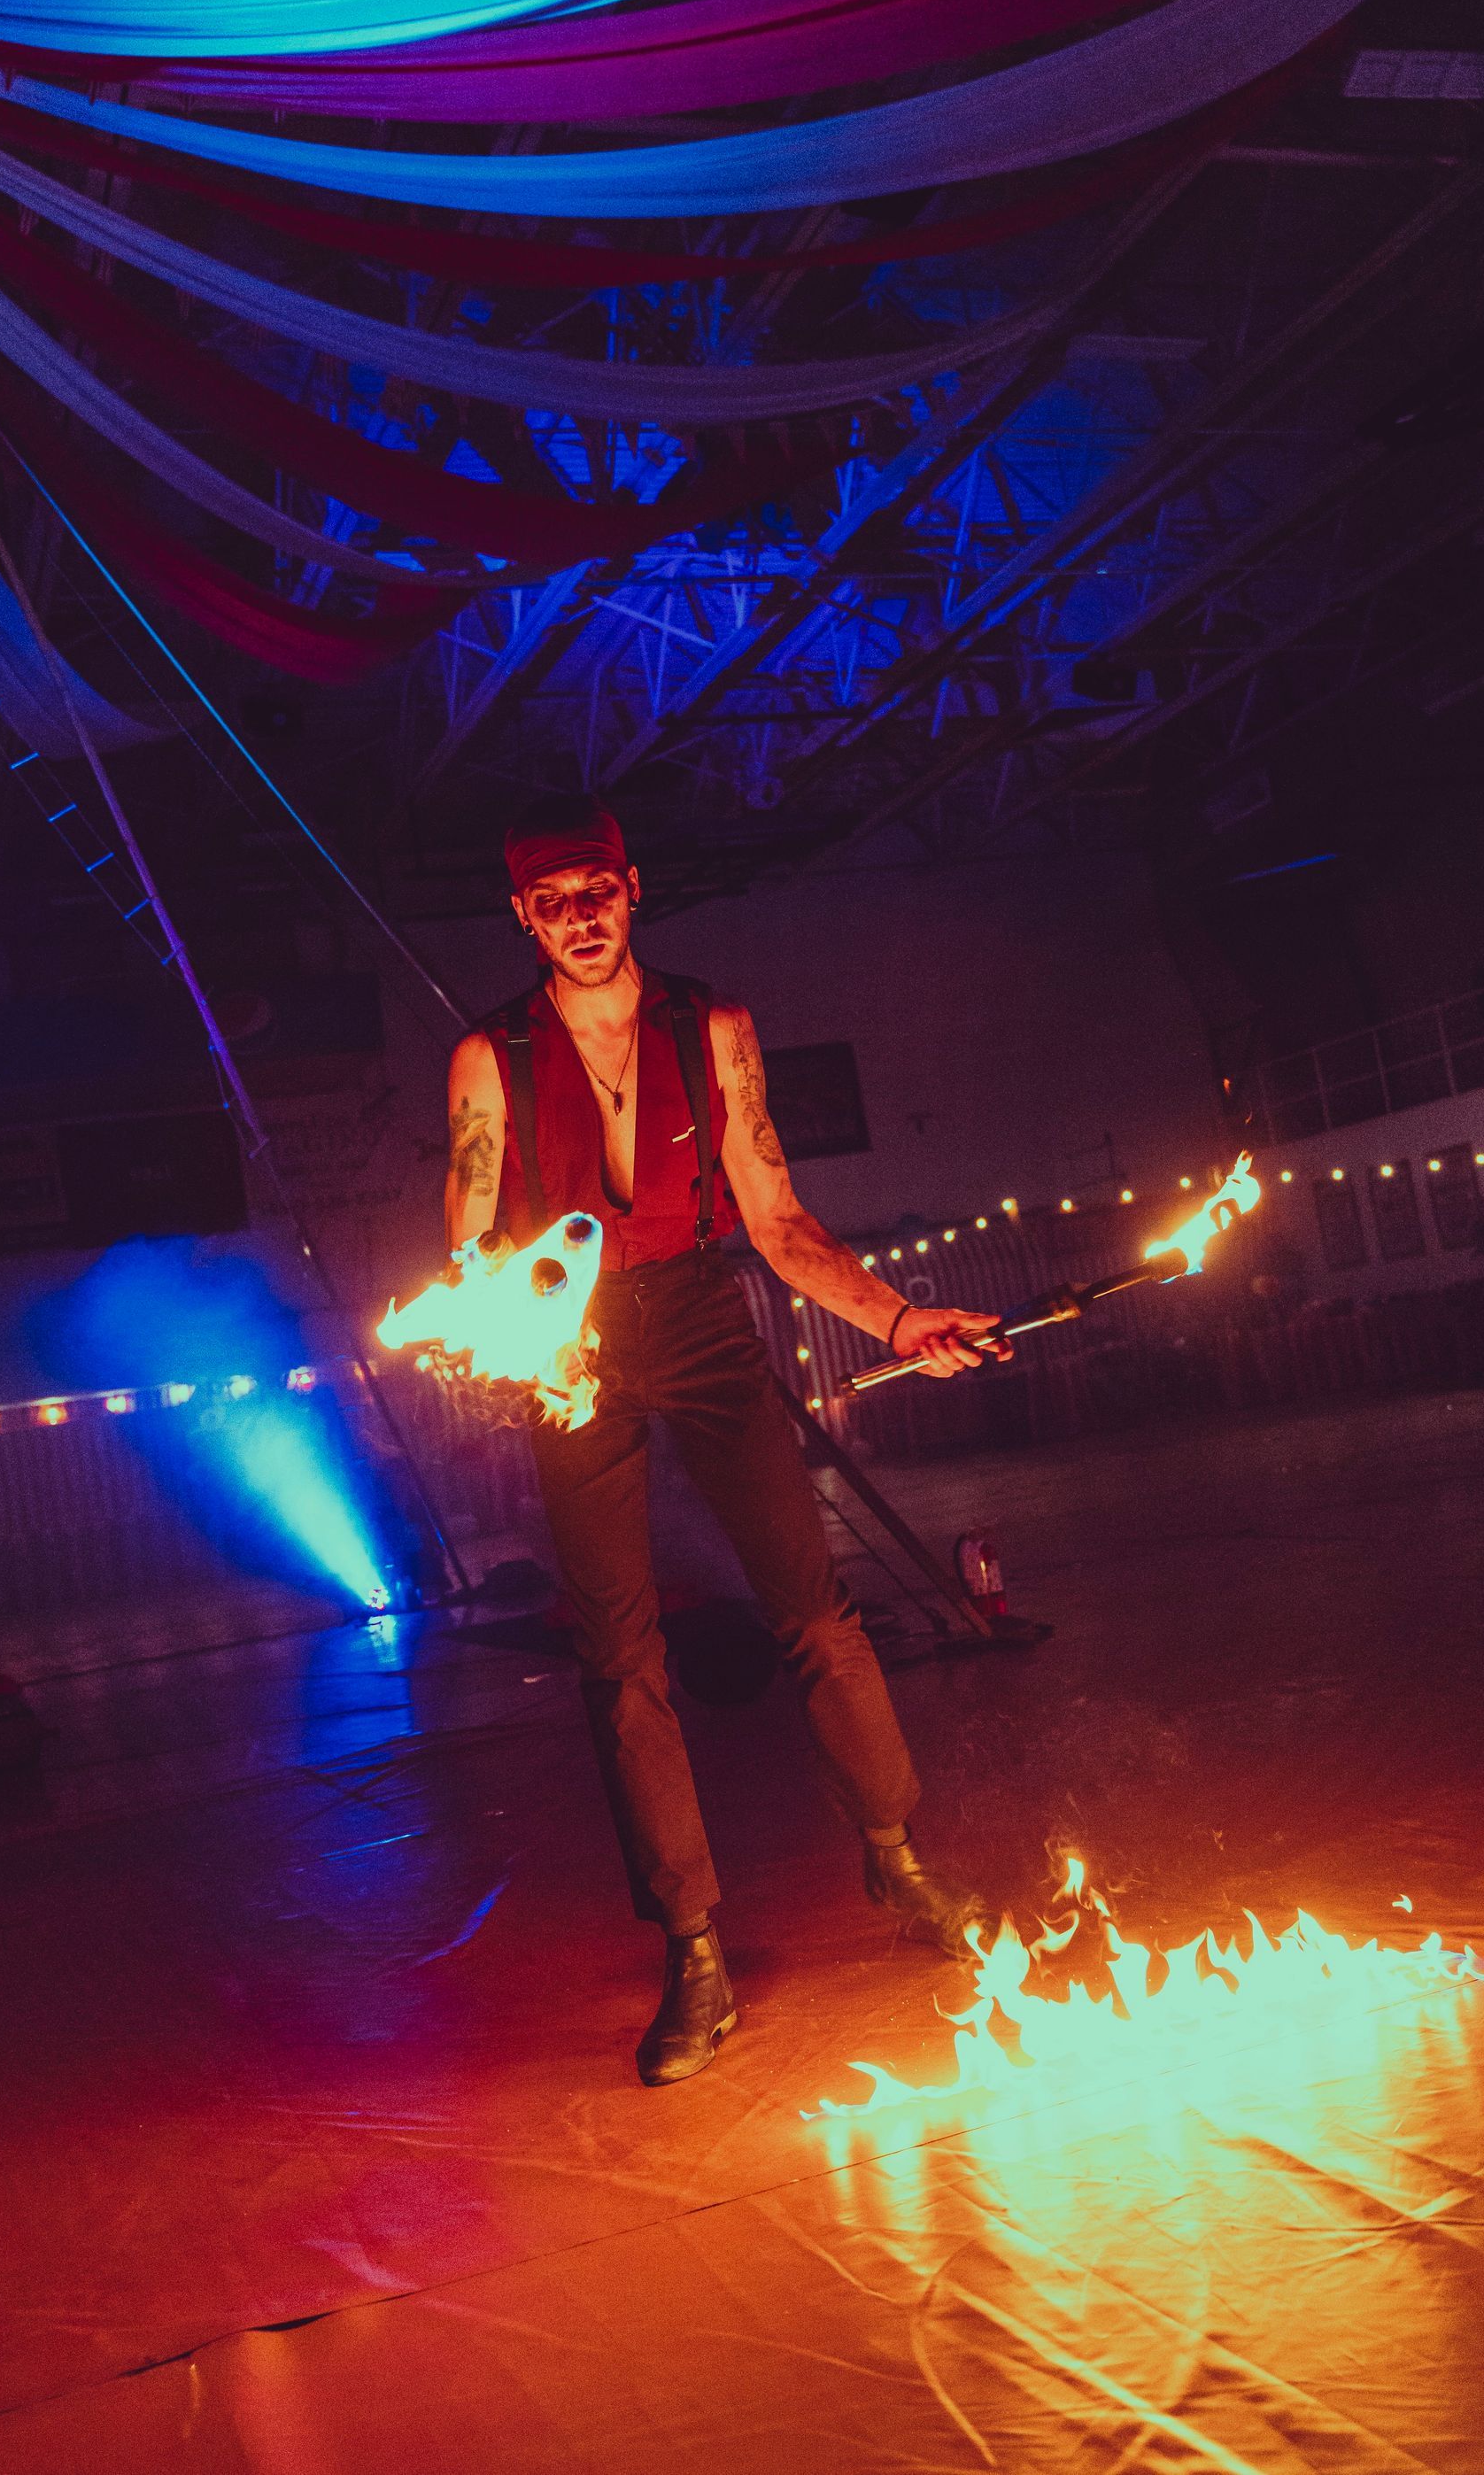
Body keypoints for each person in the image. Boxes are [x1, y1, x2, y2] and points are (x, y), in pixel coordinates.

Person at [444, 803, 1008, 2085]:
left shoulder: (715, 1030)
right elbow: (471, 1246)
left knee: (815, 1606)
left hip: (701, 1315)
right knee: (620, 1656)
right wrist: (521, 1342)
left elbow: (782, 1222)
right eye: (554, 901)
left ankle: (899, 1854)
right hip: (569, 1347)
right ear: (522, 918)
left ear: (633, 890)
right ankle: (693, 1947)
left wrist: (904, 1318)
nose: (582, 918)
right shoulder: (488, 1058)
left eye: (600, 891)